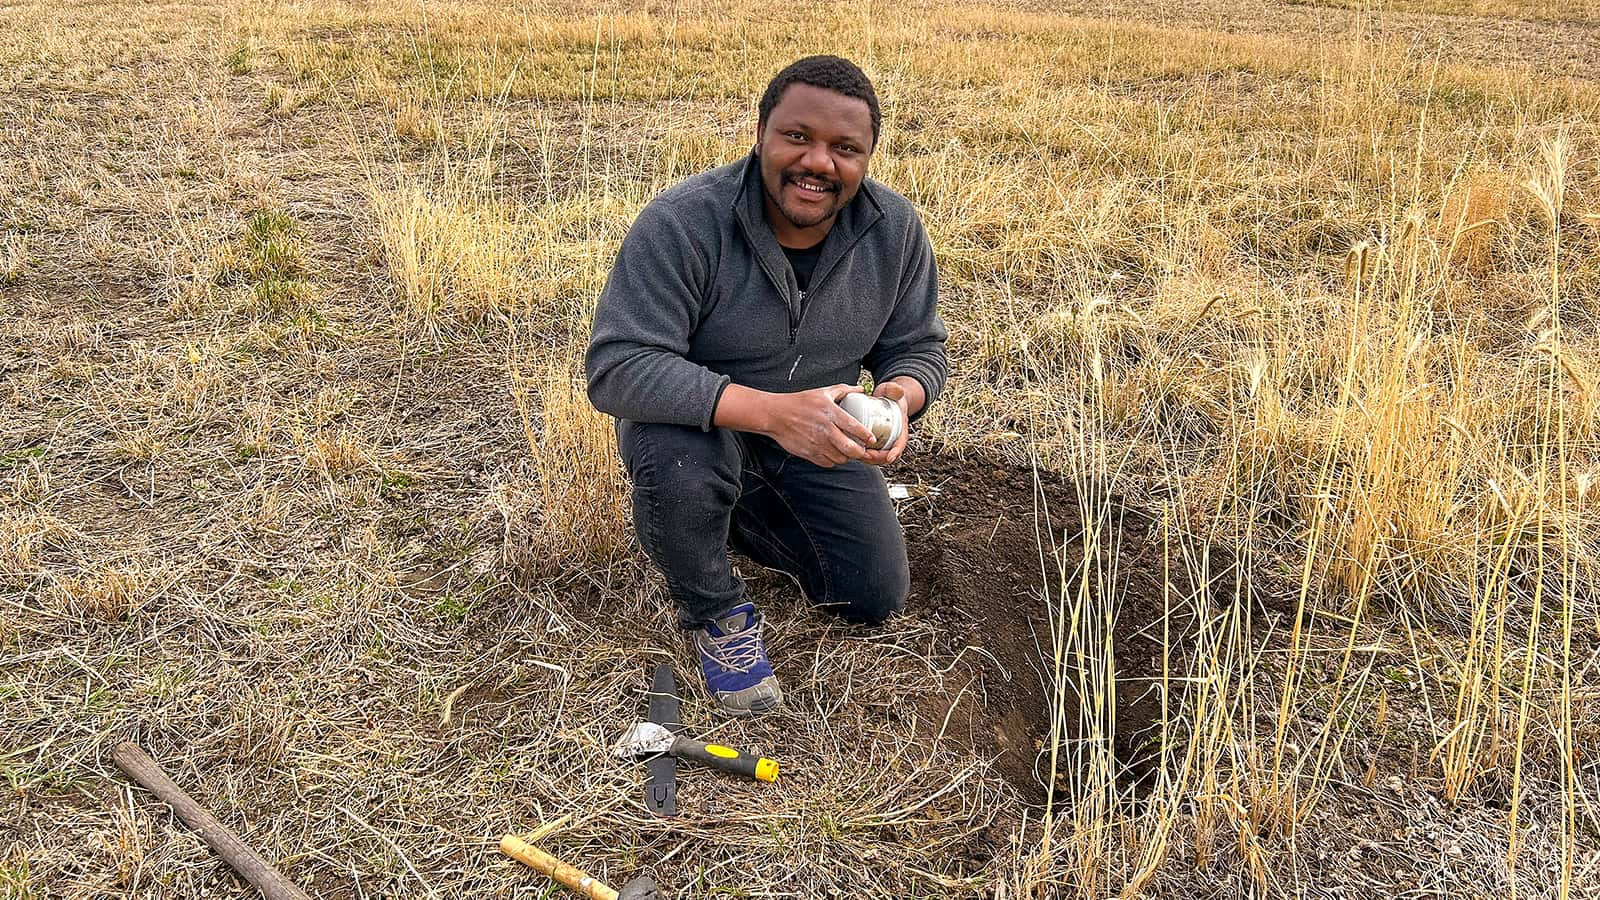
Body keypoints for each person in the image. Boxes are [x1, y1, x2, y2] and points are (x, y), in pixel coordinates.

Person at [585, 55, 947, 716]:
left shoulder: (894, 231)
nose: (818, 162)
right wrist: (773, 414)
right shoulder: (682, 224)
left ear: (867, 158)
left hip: (817, 435)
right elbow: (619, 366)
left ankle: (727, 513)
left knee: (870, 594)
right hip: (698, 427)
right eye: (797, 137)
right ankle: (715, 611)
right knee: (679, 471)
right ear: (760, 133)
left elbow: (919, 346)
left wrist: (899, 396)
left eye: (845, 148)